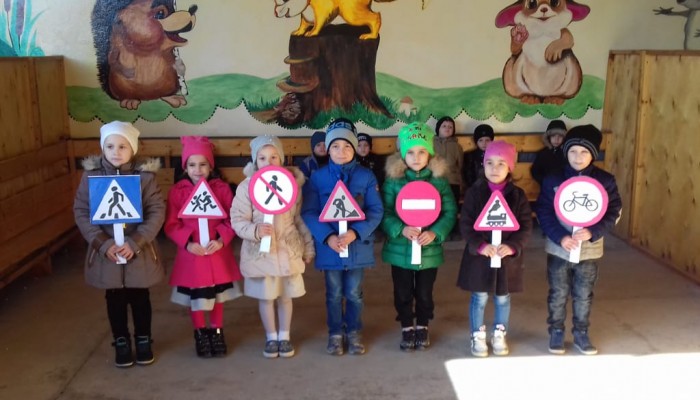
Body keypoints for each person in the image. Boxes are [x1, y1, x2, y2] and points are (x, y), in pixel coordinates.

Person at [73, 121, 165, 368]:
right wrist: (103, 244)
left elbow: (156, 211)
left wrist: (136, 242)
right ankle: (121, 340)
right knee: (114, 298)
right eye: (110, 146)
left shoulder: (144, 178)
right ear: (102, 148)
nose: (116, 151)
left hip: (138, 253)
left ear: (132, 149)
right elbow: (81, 211)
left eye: (122, 146)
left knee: (140, 297)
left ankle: (143, 339)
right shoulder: (91, 177)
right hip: (108, 254)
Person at [534, 125, 622, 356]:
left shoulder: (605, 180)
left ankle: (581, 332)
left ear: (593, 154)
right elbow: (543, 210)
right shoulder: (553, 179)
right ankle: (556, 330)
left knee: (584, 294)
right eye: (572, 151)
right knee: (558, 292)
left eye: (584, 152)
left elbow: (614, 211)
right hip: (559, 249)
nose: (578, 157)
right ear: (566, 152)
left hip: (589, 251)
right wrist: (559, 236)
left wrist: (593, 231)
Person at [301, 118, 383, 356]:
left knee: (354, 293)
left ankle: (354, 331)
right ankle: (335, 332)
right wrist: (327, 237)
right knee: (334, 293)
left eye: (347, 146)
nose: (341, 151)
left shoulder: (366, 176)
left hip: (357, 247)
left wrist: (356, 232)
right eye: (335, 146)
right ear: (327, 149)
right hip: (331, 248)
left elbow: (376, 210)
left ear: (355, 148)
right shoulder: (317, 178)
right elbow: (309, 211)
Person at [230, 135, 315, 359]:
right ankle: (271, 337)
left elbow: (299, 219)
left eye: (274, 157)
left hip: (288, 251)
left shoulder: (292, 186)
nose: (268, 162)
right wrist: (255, 231)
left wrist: (308, 247)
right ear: (255, 161)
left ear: (282, 159)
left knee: (285, 296)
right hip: (262, 255)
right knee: (266, 297)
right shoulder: (247, 187)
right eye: (262, 158)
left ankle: (284, 336)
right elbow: (238, 219)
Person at [381, 122, 457, 351]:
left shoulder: (439, 181)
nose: (416, 157)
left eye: (422, 151)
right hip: (400, 250)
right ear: (403, 155)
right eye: (411, 152)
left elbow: (449, 211)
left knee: (424, 292)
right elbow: (384, 212)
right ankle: (407, 326)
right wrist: (400, 229)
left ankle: (423, 324)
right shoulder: (393, 181)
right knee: (402, 291)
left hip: (428, 250)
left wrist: (436, 232)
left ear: (430, 154)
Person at [164, 136, 243, 358]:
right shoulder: (177, 192)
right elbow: (171, 224)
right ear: (185, 167)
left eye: (202, 164)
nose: (197, 170)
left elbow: (232, 219)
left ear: (211, 166)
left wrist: (221, 239)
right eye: (192, 165)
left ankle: (217, 332)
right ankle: (200, 333)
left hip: (217, 254)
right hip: (193, 256)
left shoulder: (222, 189)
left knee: (217, 296)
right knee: (197, 297)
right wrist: (187, 243)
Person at [457, 140, 533, 357]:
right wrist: (479, 245)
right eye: (489, 162)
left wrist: (513, 246)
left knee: (502, 297)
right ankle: (477, 334)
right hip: (480, 256)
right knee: (479, 297)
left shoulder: (518, 195)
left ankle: (500, 333)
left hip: (506, 258)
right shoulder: (474, 192)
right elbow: (466, 223)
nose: (494, 168)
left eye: (501, 163)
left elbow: (525, 226)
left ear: (510, 167)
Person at [433, 116, 464, 204]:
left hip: (452, 181)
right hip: (434, 180)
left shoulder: (457, 146)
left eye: (450, 127)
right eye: (444, 126)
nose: (447, 128)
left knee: (452, 204)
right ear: (438, 129)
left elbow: (460, 165)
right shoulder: (431, 144)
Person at [531, 120, 567, 186]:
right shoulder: (543, 153)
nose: (556, 139)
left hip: (564, 186)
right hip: (547, 186)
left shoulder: (567, 153)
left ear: (564, 138)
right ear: (548, 137)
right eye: (553, 136)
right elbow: (535, 171)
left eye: (560, 136)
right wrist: (545, 182)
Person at [462, 124, 495, 189]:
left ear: (491, 141)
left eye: (487, 140)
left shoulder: (495, 156)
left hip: (491, 188)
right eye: (480, 140)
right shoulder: (469, 156)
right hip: (474, 189)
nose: (484, 143)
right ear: (476, 141)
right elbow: (468, 175)